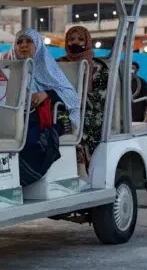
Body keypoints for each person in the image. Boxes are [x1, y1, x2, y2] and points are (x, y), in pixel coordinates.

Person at [11, 29, 81, 187]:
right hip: (16, 116)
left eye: (28, 41)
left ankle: (26, 175)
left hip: (54, 117)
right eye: (19, 42)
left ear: (38, 46)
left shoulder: (48, 67)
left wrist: (47, 94)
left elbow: (72, 98)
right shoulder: (10, 68)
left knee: (34, 138)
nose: (23, 45)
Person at [56, 26, 108, 183]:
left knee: (79, 123)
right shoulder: (59, 64)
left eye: (80, 39)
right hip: (62, 108)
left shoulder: (98, 66)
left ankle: (81, 165)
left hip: (90, 110)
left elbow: (101, 96)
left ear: (87, 41)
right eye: (71, 39)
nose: (75, 42)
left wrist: (76, 100)